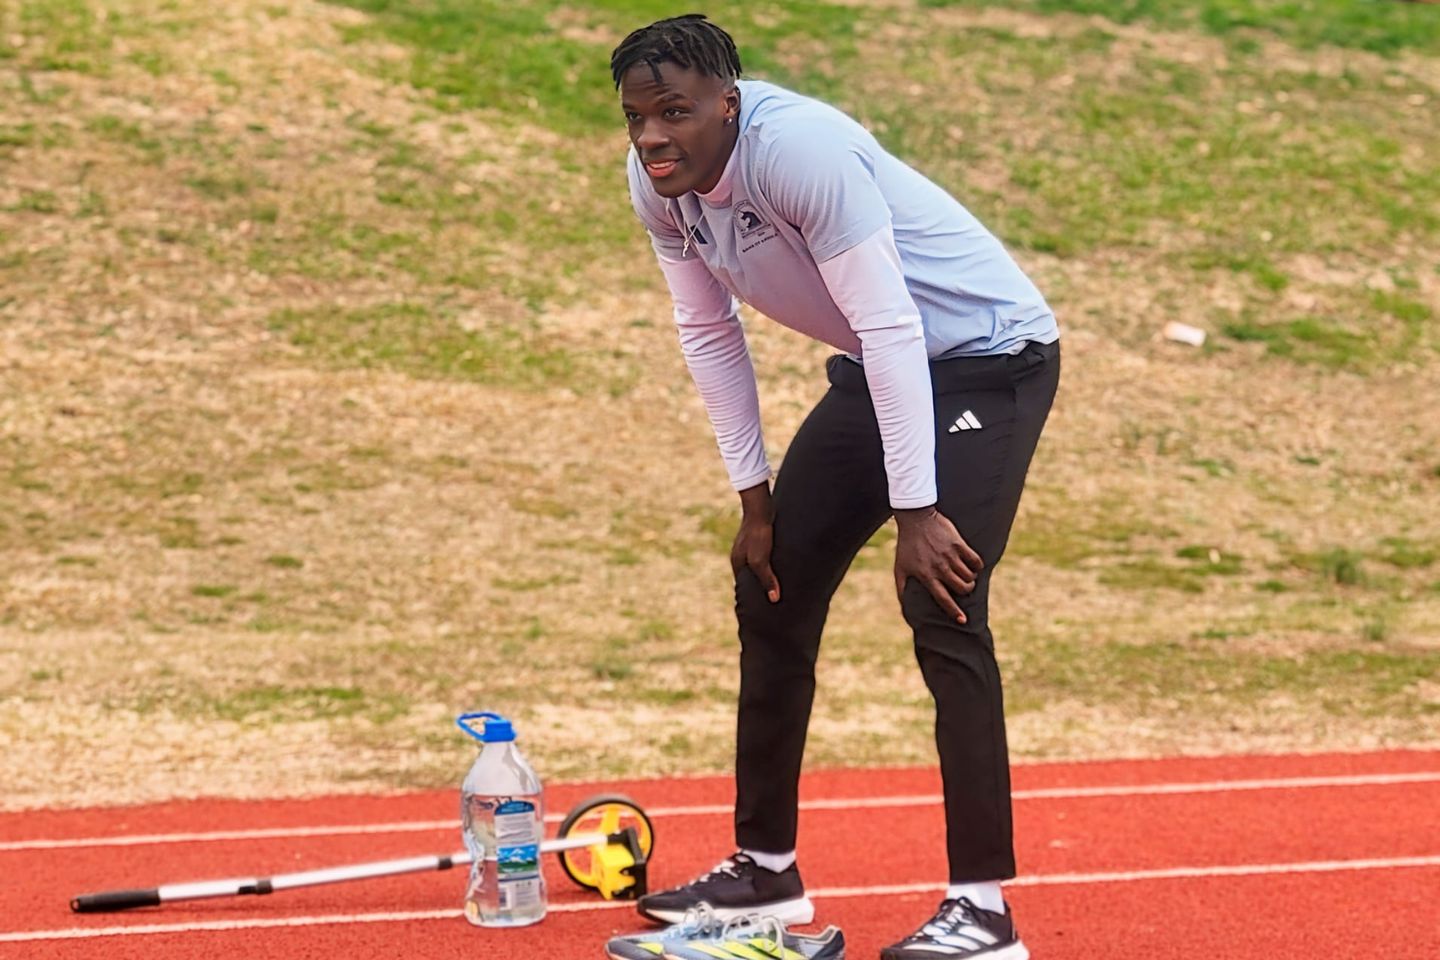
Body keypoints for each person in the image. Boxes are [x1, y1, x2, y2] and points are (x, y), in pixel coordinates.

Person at [612, 15, 1058, 960]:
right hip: (881, 366)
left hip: (984, 361)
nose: (654, 136)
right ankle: (765, 871)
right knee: (768, 585)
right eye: (637, 117)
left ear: (727, 105)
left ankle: (984, 915)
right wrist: (756, 500)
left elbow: (894, 325)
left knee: (941, 594)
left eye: (676, 113)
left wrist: (917, 512)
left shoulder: (800, 151)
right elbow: (709, 333)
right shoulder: (661, 186)